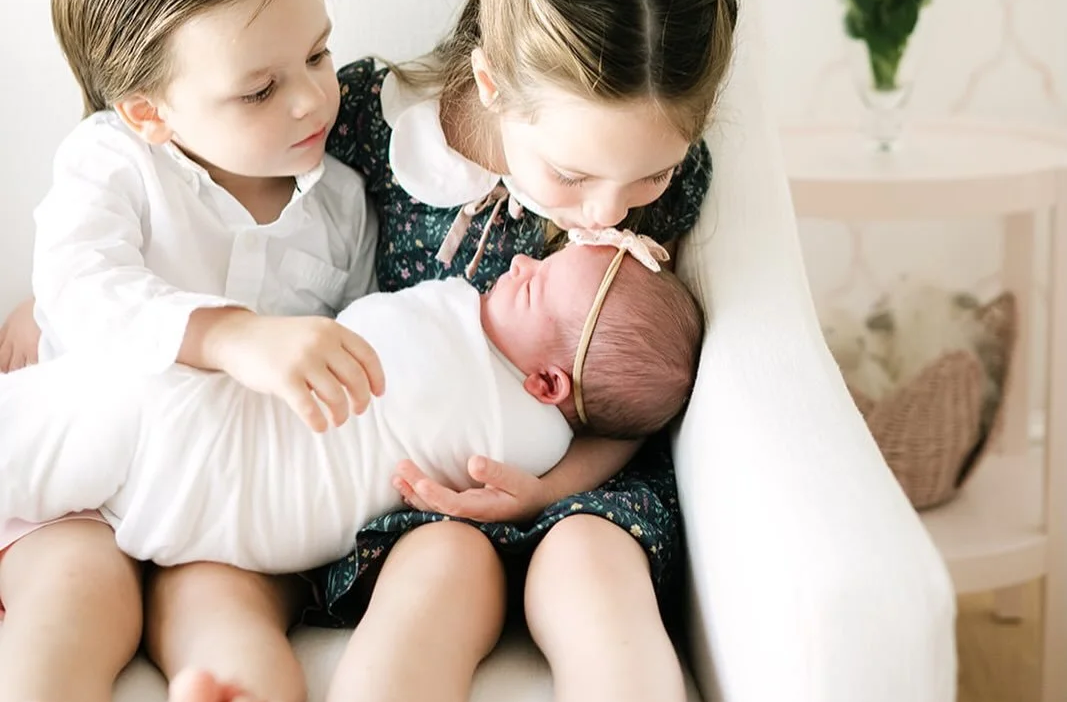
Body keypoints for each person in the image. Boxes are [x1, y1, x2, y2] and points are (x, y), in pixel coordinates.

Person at [303, 0, 739, 702]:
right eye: (576, 172)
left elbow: (640, 389)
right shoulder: (370, 120)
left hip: (572, 480)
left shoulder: (665, 174)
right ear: (494, 86)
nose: (605, 210)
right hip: (422, 486)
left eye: (642, 179)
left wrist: (549, 491)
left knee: (592, 558)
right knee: (438, 566)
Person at [0, 0, 382, 702]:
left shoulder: (339, 204)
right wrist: (227, 336)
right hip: (89, 478)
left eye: (318, 53)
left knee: (229, 616)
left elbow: (356, 347)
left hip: (223, 498)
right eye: (259, 88)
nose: (311, 97)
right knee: (68, 599)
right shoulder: (110, 164)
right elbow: (80, 284)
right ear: (149, 112)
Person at [0, 235, 701, 575]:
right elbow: (617, 424)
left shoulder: (477, 384)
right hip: (247, 526)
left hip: (207, 444)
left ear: (547, 385)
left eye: (534, 287)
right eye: (539, 262)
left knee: (110, 402)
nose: (517, 265)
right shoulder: (540, 444)